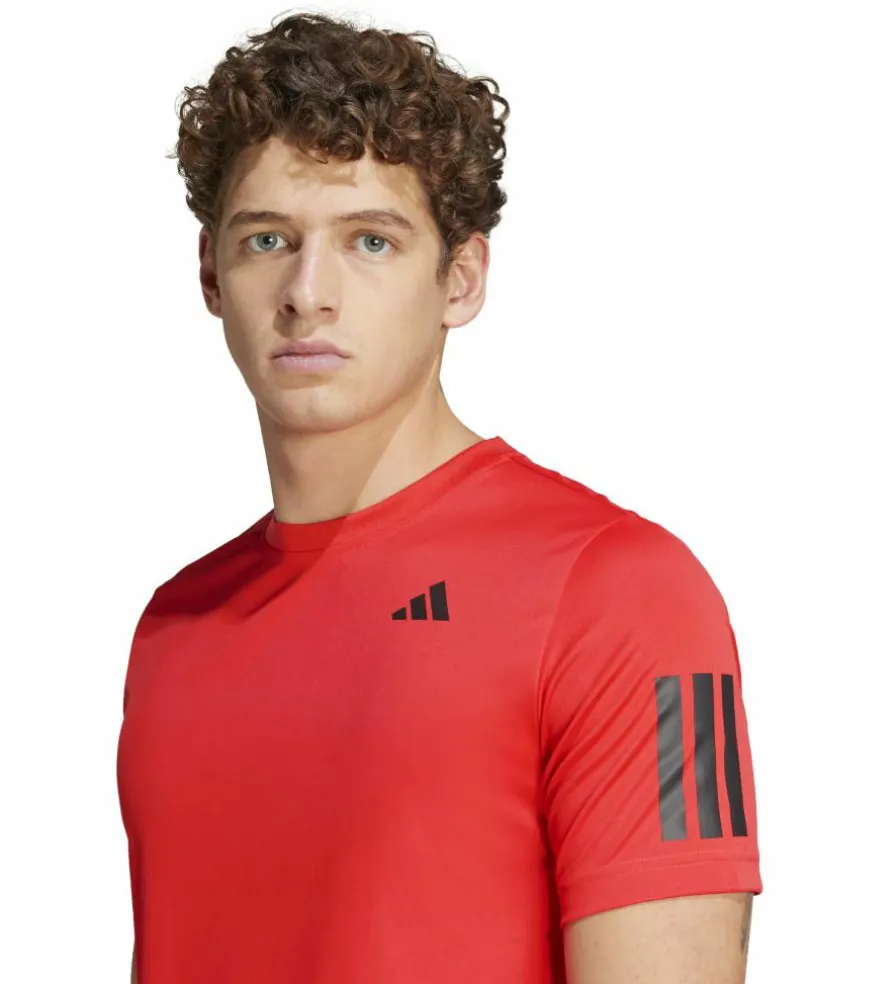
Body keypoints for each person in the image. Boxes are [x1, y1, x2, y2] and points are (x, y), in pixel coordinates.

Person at [117, 11, 761, 984]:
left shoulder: (629, 594)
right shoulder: (177, 626)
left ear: (460, 279)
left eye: (370, 241)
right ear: (211, 273)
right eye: (268, 239)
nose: (308, 292)